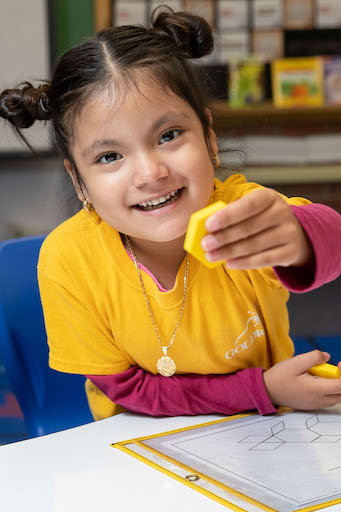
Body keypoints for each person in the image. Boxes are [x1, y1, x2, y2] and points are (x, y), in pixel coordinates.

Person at [1, 8, 341, 422]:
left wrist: (300, 236)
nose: (150, 173)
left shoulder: (240, 215)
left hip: (266, 434)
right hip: (135, 449)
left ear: (209, 138)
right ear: (78, 180)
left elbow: (332, 241)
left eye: (168, 136)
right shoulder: (69, 261)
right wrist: (262, 389)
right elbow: (127, 392)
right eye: (110, 156)